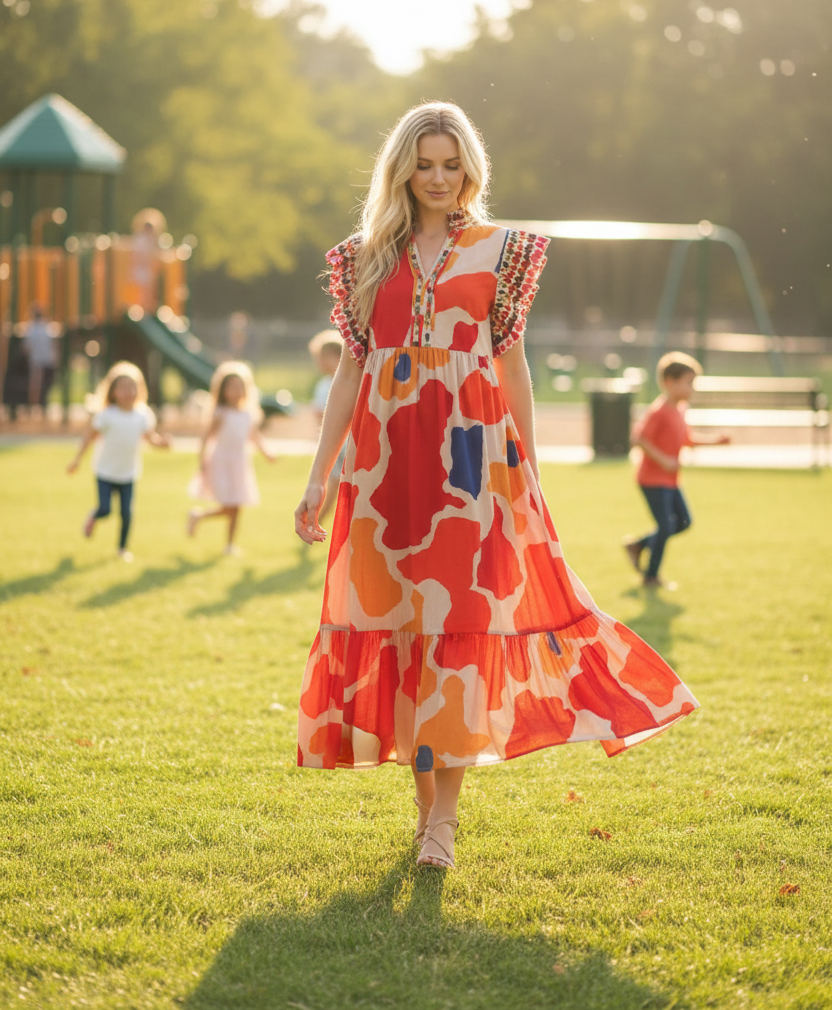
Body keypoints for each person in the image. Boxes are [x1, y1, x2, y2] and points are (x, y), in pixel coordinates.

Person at [294, 102, 700, 871]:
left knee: (458, 635)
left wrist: (532, 473)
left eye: (453, 164)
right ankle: (424, 816)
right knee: (405, 637)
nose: (441, 178)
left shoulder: (502, 252)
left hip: (472, 466)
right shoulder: (361, 258)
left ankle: (442, 821)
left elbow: (510, 362)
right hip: (382, 472)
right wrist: (319, 477)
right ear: (402, 169)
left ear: (471, 168)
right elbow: (352, 368)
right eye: (426, 164)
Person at [624, 352, 730, 587]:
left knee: (683, 522)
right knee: (666, 526)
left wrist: (715, 441)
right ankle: (651, 577)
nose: (692, 389)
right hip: (652, 479)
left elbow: (686, 439)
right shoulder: (659, 410)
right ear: (670, 382)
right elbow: (638, 438)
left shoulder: (681, 409)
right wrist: (662, 460)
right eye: (688, 383)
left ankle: (638, 545)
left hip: (670, 480)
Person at [67, 361, 169, 560]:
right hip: (105, 471)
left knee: (126, 513)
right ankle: (93, 516)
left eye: (132, 387)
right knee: (105, 509)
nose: (128, 392)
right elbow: (89, 437)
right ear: (113, 391)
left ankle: (122, 549)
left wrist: (162, 444)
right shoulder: (106, 416)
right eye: (123, 387)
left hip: (128, 472)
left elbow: (151, 439)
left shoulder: (143, 415)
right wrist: (77, 460)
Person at [187, 361, 275, 555]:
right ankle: (198, 515)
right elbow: (206, 438)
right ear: (222, 390)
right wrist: (201, 460)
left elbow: (254, 436)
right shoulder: (220, 413)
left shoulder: (248, 414)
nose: (236, 391)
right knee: (229, 505)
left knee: (237, 506)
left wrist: (266, 452)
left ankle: (229, 545)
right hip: (222, 462)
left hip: (240, 463)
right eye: (231, 387)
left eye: (240, 386)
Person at [308, 329, 345, 522]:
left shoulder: (348, 383)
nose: (319, 364)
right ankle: (315, 520)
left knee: (337, 483)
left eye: (321, 358)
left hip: (347, 443)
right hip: (335, 444)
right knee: (332, 482)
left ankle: (315, 520)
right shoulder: (323, 384)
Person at [22, 304, 56, 412]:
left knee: (35, 383)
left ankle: (34, 405)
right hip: (47, 360)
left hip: (36, 360)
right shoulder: (47, 328)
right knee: (43, 383)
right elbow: (53, 345)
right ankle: (40, 404)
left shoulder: (30, 329)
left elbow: (26, 347)